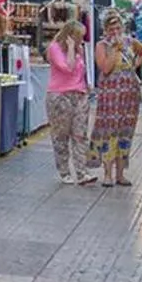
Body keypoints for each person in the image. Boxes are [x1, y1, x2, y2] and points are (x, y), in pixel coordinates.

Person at [88, 13, 142, 187]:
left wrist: (134, 66)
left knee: (125, 132)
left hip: (129, 96)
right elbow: (105, 68)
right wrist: (114, 49)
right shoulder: (102, 45)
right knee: (109, 132)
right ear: (105, 30)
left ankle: (120, 174)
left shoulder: (130, 41)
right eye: (111, 29)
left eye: (118, 28)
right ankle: (107, 174)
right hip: (110, 97)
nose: (115, 32)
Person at [45, 16, 94, 185]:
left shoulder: (80, 49)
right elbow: (68, 67)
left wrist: (87, 85)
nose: (82, 40)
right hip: (60, 96)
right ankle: (64, 171)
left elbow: (80, 70)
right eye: (79, 36)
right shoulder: (54, 48)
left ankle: (82, 172)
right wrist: (72, 49)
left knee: (80, 134)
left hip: (79, 94)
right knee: (61, 135)